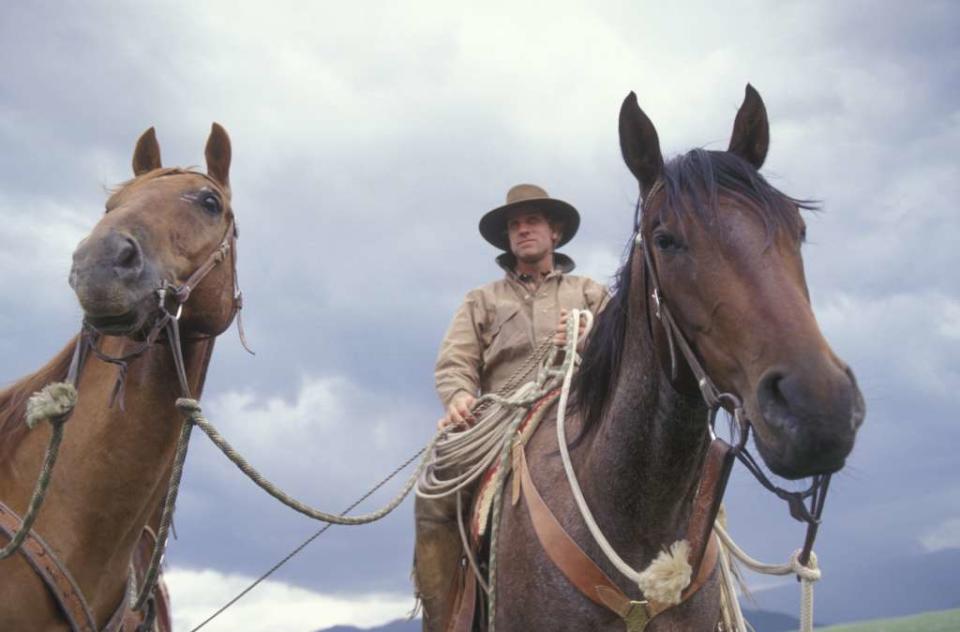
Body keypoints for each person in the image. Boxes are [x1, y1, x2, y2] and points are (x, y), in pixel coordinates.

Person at [414, 183, 607, 630]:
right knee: (434, 489)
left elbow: (626, 351)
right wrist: (460, 396)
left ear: (554, 232)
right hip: (502, 419)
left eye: (532, 221)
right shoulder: (481, 300)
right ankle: (442, 620)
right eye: (515, 225)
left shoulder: (591, 294)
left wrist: (588, 339)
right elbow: (456, 362)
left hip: (582, 409)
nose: (522, 230)